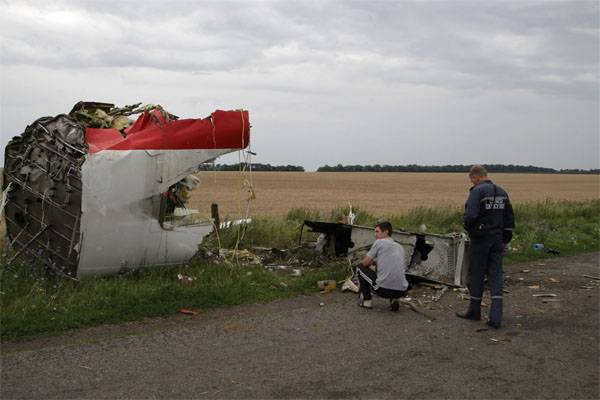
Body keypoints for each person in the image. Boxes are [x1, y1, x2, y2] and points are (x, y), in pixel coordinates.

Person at [457, 165, 515, 328]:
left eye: (472, 180)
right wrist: (505, 239)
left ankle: (474, 311)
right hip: (497, 240)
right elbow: (510, 220)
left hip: (481, 240)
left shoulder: (477, 191)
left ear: (475, 177)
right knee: (495, 276)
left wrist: (467, 227)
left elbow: (471, 215)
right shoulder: (502, 192)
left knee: (476, 274)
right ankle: (496, 317)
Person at [357, 221, 409, 311]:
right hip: (402, 290)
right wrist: (376, 262)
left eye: (377, 231)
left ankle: (367, 302)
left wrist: (369, 262)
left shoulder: (379, 242)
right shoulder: (399, 247)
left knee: (359, 268)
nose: (375, 235)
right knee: (392, 272)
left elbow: (365, 263)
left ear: (386, 232)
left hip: (383, 290)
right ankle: (394, 299)